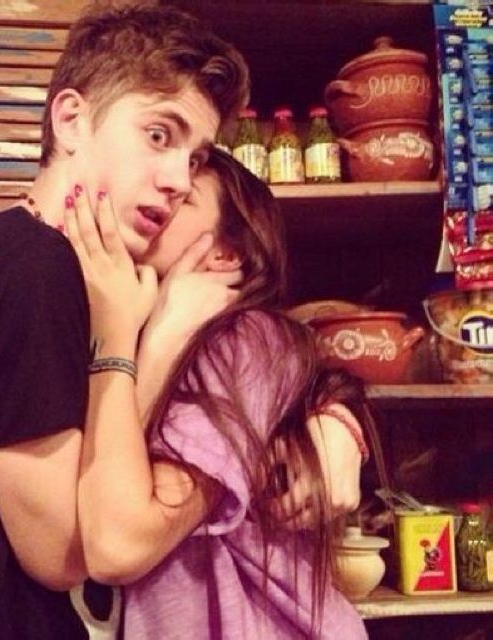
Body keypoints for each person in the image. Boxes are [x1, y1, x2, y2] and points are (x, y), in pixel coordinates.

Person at [0, 4, 250, 639]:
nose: (179, 180)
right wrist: (145, 345)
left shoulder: (18, 262)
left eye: (194, 158)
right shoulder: (30, 268)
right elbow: (63, 555)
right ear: (71, 120)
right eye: (160, 135)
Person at [68, 147, 378, 639]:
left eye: (185, 198)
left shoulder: (240, 339)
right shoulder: (116, 332)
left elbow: (119, 544)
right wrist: (154, 345)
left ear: (226, 255)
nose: (162, 194)